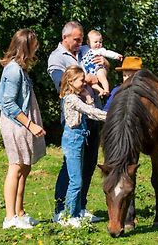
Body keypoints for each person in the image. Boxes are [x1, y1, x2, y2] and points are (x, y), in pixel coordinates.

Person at [48, 21, 109, 223]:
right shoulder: (56, 58)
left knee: (90, 162)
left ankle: (80, 207)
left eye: (81, 39)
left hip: (93, 114)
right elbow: (62, 84)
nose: (79, 43)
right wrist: (88, 81)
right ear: (65, 37)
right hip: (75, 119)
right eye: (76, 39)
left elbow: (102, 65)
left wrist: (103, 65)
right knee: (71, 165)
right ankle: (60, 209)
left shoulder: (86, 50)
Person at [0, 29, 47, 229]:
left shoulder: (21, 69)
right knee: (16, 166)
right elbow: (8, 104)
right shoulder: (13, 70)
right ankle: (10, 218)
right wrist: (30, 124)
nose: (37, 47)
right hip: (15, 124)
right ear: (26, 46)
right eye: (34, 43)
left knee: (25, 167)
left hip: (22, 123)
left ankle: (20, 213)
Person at [57, 65, 107, 227]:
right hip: (72, 141)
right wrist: (111, 115)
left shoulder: (77, 96)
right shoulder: (71, 99)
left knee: (77, 178)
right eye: (81, 81)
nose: (84, 83)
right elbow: (90, 112)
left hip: (79, 140)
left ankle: (77, 212)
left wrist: (88, 96)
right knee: (76, 181)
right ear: (71, 81)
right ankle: (68, 215)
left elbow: (89, 109)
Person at [81, 30, 123, 96]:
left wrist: (116, 56)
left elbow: (108, 53)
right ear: (88, 42)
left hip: (98, 68)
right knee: (92, 84)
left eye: (100, 42)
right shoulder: (84, 48)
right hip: (89, 71)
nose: (98, 44)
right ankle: (101, 90)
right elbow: (76, 49)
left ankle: (106, 90)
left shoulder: (100, 50)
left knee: (102, 77)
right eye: (95, 42)